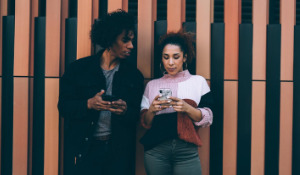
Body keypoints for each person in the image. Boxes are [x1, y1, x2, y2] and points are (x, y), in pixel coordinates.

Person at [58, 9, 144, 175]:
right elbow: (64, 107)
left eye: (132, 40)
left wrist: (126, 110)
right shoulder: (78, 69)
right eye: (125, 40)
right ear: (110, 39)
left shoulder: (134, 75)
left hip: (118, 152)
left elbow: (137, 115)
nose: (131, 46)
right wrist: (88, 104)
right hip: (85, 149)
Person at [140, 30, 213, 175]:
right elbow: (145, 122)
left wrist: (187, 108)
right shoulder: (152, 85)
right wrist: (152, 111)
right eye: (166, 57)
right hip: (156, 151)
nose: (170, 62)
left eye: (176, 57)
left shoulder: (198, 82)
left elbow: (207, 118)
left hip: (187, 151)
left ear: (185, 58)